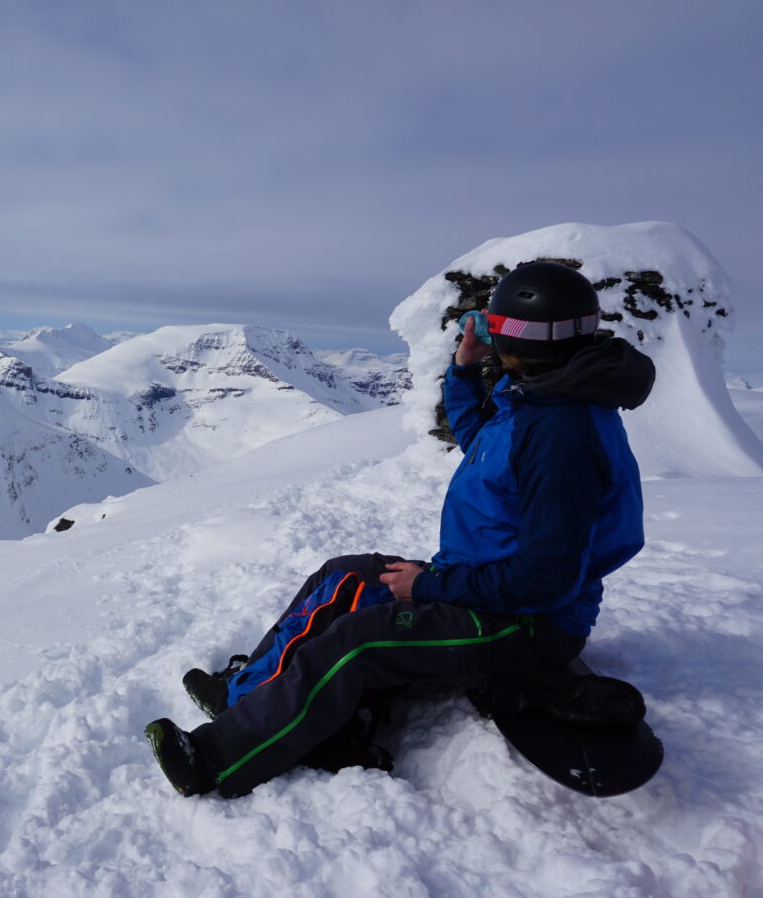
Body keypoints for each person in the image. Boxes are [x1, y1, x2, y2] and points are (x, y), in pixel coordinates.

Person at [146, 261, 657, 798]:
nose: (486, 329)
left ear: (516, 336)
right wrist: (463, 371)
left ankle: (217, 760)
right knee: (343, 577)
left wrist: (428, 586)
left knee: (355, 642)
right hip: (482, 584)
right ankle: (243, 693)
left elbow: (547, 579)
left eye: (494, 323)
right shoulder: (540, 396)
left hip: (527, 622)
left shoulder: (562, 432)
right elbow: (482, 444)